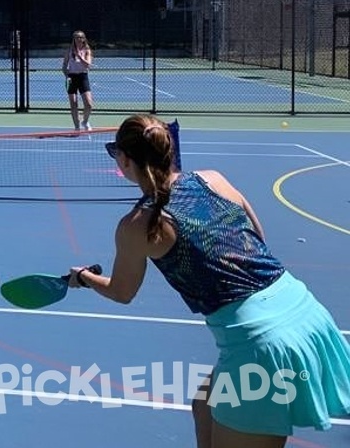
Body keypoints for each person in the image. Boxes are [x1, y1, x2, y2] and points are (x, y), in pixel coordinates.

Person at [68, 114, 350, 447]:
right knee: (205, 405)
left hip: (261, 343)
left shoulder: (136, 224)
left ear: (124, 161)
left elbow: (122, 291)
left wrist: (84, 278)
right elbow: (256, 236)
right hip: (306, 313)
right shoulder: (212, 179)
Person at [62, 30, 94, 130]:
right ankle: (76, 126)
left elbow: (88, 64)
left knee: (88, 104)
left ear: (84, 39)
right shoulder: (69, 50)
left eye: (80, 37)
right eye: (76, 37)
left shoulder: (87, 50)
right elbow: (64, 65)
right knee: (73, 103)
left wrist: (79, 56)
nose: (78, 39)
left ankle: (85, 121)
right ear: (74, 39)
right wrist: (66, 75)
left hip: (83, 77)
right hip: (71, 78)